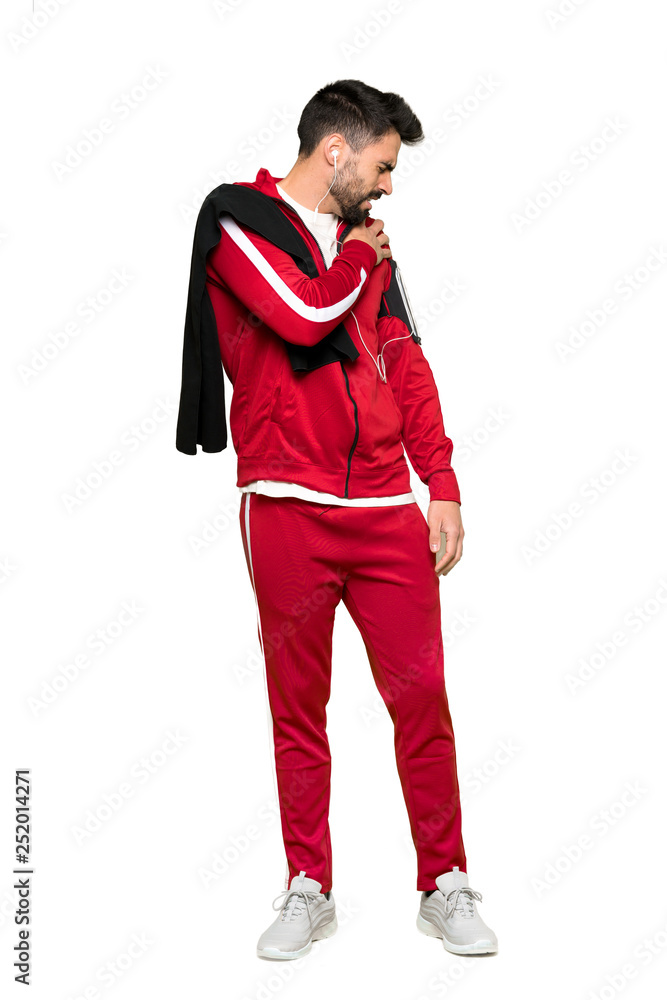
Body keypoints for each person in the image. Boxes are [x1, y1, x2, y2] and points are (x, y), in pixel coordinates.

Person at [179, 78, 498, 960]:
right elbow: (303, 314)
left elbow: (405, 361)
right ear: (335, 151)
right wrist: (357, 256)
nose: (389, 186)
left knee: (421, 698)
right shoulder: (238, 220)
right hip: (287, 505)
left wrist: (440, 481)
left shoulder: (372, 248)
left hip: (384, 508)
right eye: (383, 166)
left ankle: (444, 881)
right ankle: (307, 885)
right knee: (298, 709)